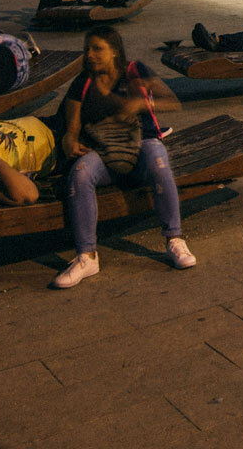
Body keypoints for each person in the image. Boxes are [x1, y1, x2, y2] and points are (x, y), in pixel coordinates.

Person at [52, 25, 193, 287]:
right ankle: (87, 256)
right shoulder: (82, 83)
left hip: (142, 143)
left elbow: (172, 101)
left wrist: (141, 103)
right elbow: (71, 130)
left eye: (97, 49)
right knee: (80, 173)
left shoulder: (134, 71)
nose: (90, 55)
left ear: (115, 51)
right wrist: (69, 142)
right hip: (103, 149)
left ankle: (174, 239)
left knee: (158, 162)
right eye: (87, 50)